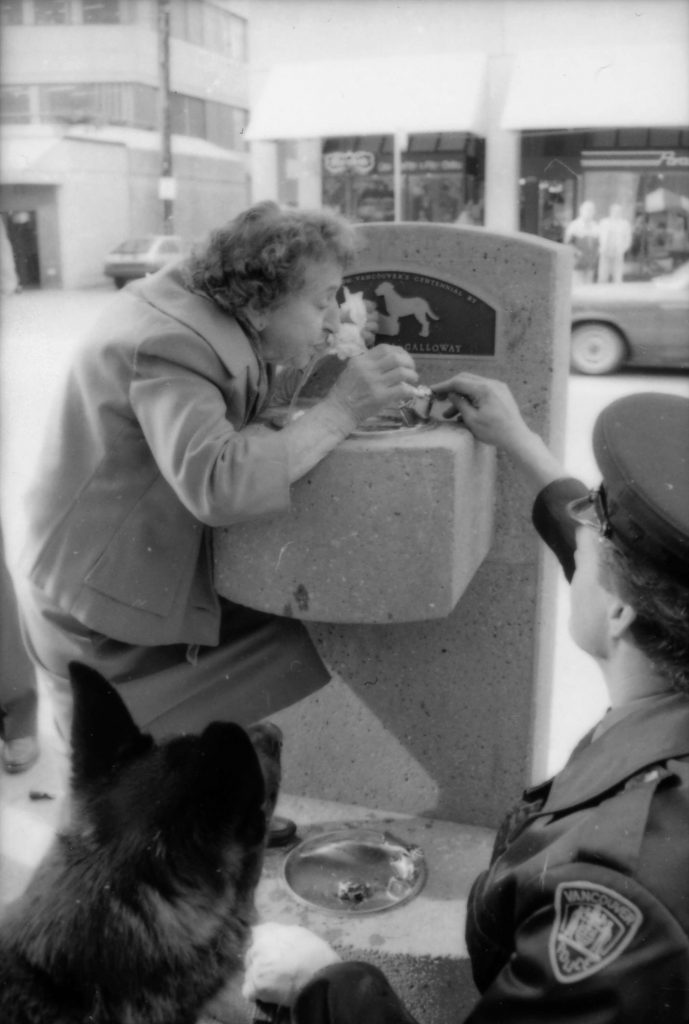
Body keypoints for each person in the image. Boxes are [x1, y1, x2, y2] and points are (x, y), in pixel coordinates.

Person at [242, 374, 689, 1021]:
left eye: (591, 519)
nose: (577, 522)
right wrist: (517, 440)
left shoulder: (618, 886)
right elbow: (625, 569)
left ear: (621, 611)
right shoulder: (662, 634)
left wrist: (325, 984)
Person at [14, 202, 418, 747]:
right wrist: (342, 409)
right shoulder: (169, 343)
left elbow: (240, 399)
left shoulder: (200, 306)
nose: (332, 318)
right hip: (97, 614)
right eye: (323, 300)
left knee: (284, 652)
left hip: (107, 579)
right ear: (260, 302)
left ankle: (211, 814)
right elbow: (218, 485)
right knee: (291, 647)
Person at [564, 200, 599, 284]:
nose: (589, 212)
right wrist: (577, 254)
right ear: (581, 210)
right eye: (586, 210)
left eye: (591, 210)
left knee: (588, 289)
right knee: (577, 287)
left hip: (590, 265)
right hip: (577, 264)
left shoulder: (596, 226)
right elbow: (568, 244)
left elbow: (598, 245)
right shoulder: (574, 225)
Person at [597, 203, 632, 284]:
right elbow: (598, 237)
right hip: (605, 252)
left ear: (621, 212)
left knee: (617, 277)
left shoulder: (625, 224)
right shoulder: (604, 222)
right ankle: (601, 294)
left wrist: (622, 250)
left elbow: (628, 240)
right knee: (602, 276)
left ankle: (617, 294)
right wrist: (601, 249)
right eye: (614, 211)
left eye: (618, 211)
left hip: (618, 253)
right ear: (611, 211)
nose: (616, 213)